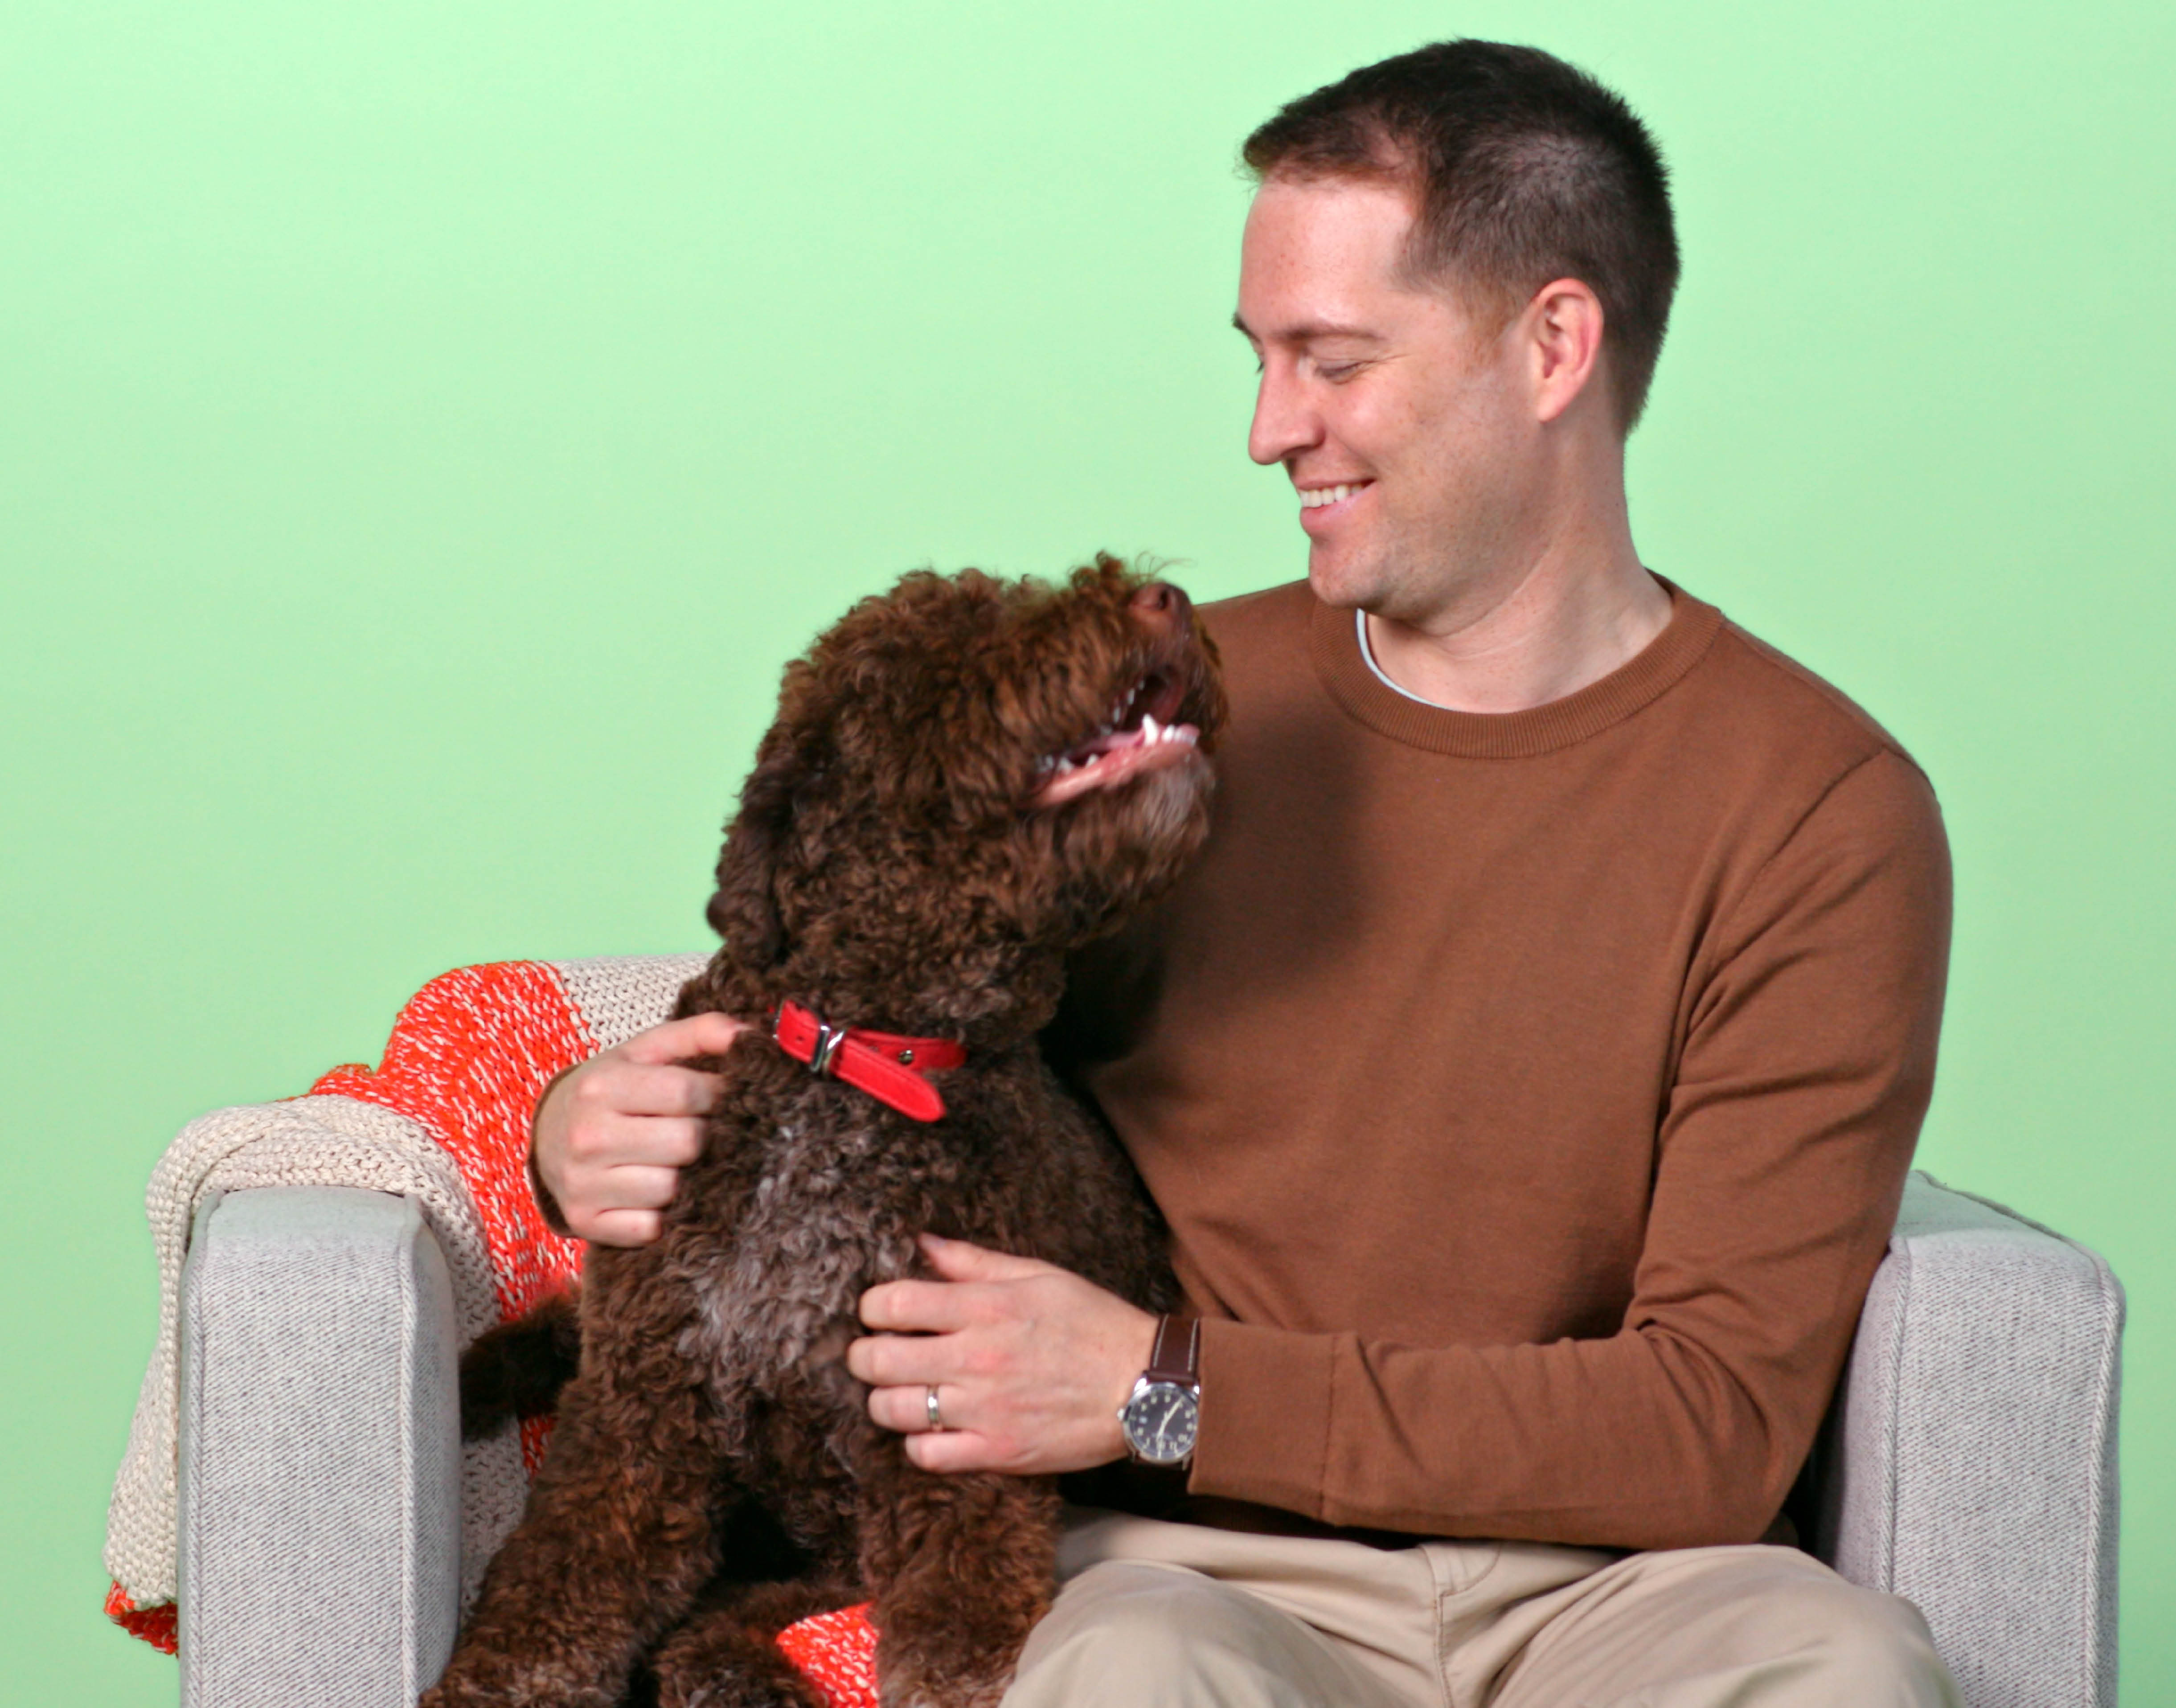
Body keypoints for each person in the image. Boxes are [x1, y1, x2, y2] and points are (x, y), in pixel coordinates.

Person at [534, 40, 1963, 1708]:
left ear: (1554, 346)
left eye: (1333, 359)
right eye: (1262, 357)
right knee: (1132, 1674)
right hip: (1196, 1572)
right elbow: (865, 975)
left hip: (1631, 1589)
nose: (1273, 427)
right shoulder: (1171, 724)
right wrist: (581, 1130)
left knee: (1850, 1666)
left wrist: (1165, 1385)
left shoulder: (1822, 811)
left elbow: (1710, 1424)